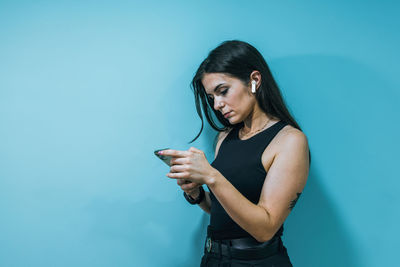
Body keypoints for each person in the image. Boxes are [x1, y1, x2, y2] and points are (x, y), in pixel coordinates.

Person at [158, 40, 310, 266]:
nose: (217, 104)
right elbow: (223, 211)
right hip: (213, 258)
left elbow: (265, 229)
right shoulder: (225, 137)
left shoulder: (289, 141)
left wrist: (211, 176)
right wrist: (197, 193)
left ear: (254, 81)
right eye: (212, 98)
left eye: (223, 91)